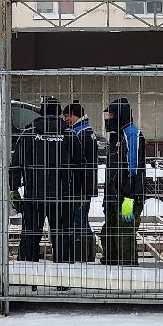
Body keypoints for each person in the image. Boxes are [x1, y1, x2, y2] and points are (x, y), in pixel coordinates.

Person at [10, 97, 78, 263]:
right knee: (61, 235)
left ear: (41, 111)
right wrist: (77, 190)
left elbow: (16, 162)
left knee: (30, 235)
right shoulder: (69, 133)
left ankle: (27, 276)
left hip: (34, 194)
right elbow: (79, 165)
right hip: (61, 194)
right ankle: (63, 278)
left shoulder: (29, 132)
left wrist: (13, 188)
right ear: (59, 112)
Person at [99, 97, 145, 266]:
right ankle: (110, 266)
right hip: (113, 197)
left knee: (124, 234)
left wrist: (128, 196)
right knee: (108, 233)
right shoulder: (115, 137)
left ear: (120, 115)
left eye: (111, 115)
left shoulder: (132, 135)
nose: (108, 119)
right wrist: (108, 198)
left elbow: (132, 169)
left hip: (127, 198)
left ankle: (128, 268)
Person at [62, 102, 99, 262]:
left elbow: (76, 162)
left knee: (78, 220)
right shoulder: (86, 131)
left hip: (80, 186)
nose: (65, 119)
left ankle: (83, 256)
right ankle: (88, 253)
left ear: (74, 115)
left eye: (67, 116)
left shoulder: (79, 134)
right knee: (82, 218)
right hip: (85, 185)